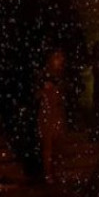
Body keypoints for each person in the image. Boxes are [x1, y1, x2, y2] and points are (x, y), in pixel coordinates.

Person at [37, 49, 67, 184]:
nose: (60, 60)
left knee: (58, 144)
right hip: (47, 112)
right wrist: (44, 90)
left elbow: (63, 94)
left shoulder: (61, 75)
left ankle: (58, 172)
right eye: (57, 57)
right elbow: (37, 94)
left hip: (57, 112)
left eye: (61, 57)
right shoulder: (44, 75)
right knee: (48, 145)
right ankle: (48, 174)